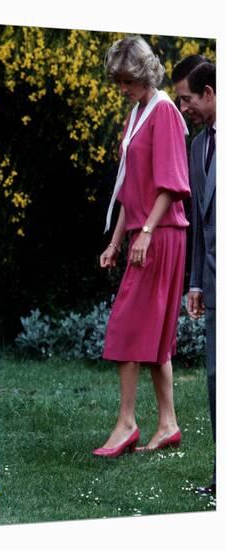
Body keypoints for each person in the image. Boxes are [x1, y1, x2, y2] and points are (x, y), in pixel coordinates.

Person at [93, 36, 191, 458]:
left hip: (162, 232)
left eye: (127, 79)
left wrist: (146, 231)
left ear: (144, 73)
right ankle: (168, 424)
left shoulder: (164, 111)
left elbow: (172, 185)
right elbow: (130, 188)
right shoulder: (137, 113)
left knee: (127, 326)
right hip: (142, 232)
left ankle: (127, 424)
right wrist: (117, 239)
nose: (122, 88)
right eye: (118, 80)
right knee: (153, 335)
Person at [173, 60, 216, 495]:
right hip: (215, 281)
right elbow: (201, 221)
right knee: (215, 380)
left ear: (209, 92)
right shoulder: (198, 146)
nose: (183, 108)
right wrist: (197, 282)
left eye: (186, 99)